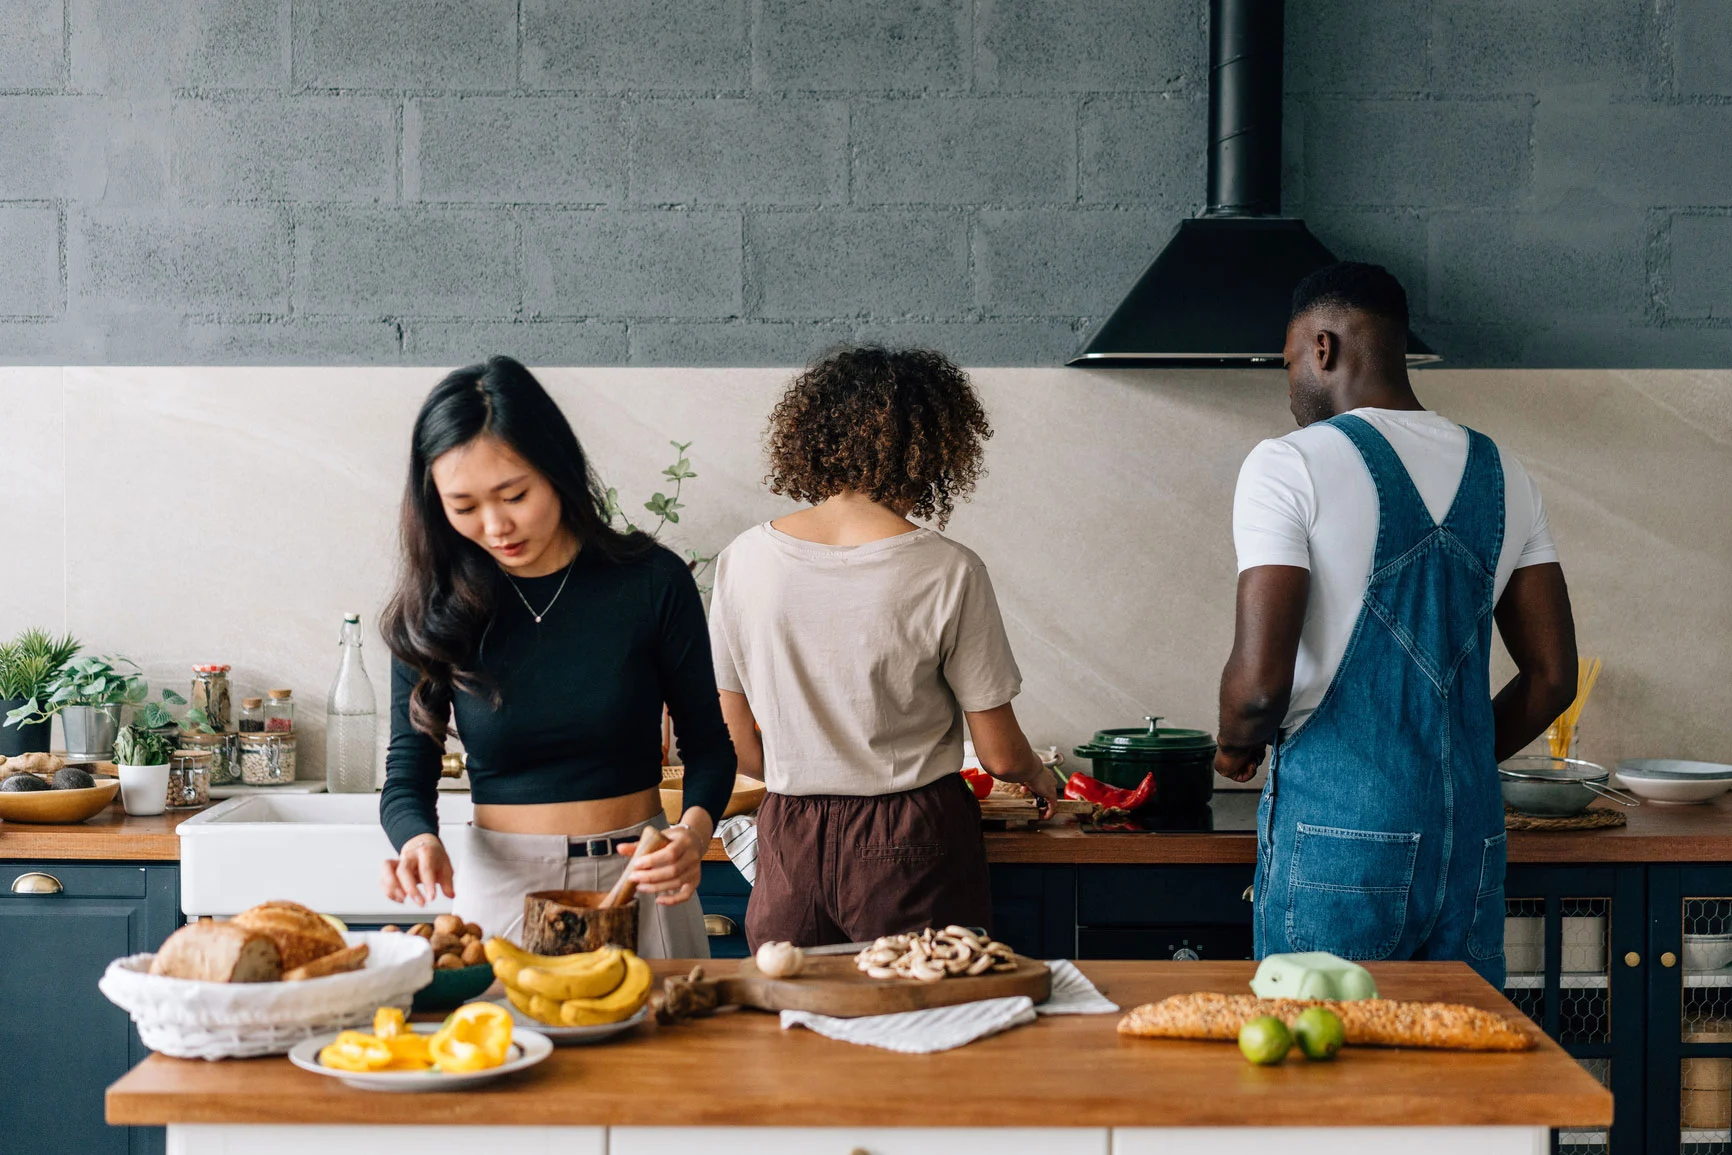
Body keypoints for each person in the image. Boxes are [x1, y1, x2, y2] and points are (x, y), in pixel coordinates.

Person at [1216, 263, 1579, 986]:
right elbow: (1552, 677)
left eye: (1288, 363)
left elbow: (1259, 688)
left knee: (1321, 1075)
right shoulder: (1506, 472)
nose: (1290, 389)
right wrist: (1459, 755)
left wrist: (1233, 746)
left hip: (1338, 843)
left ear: (1322, 347)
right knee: (1450, 1077)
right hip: (1469, 844)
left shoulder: (1288, 463)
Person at [376, 355, 736, 953]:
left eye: (514, 494)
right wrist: (417, 840)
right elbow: (408, 767)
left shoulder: (651, 581)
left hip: (640, 883)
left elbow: (709, 746)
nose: (495, 526)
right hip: (502, 893)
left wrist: (692, 836)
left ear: (556, 469)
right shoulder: (433, 609)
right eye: (463, 507)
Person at [708, 347, 1059, 951]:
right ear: (934, 448)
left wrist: (810, 774)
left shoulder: (743, 559)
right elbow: (1000, 756)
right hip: (913, 836)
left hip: (790, 835)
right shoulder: (949, 569)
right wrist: (1042, 778)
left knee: (799, 1025)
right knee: (923, 1021)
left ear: (813, 436)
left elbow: (737, 741)